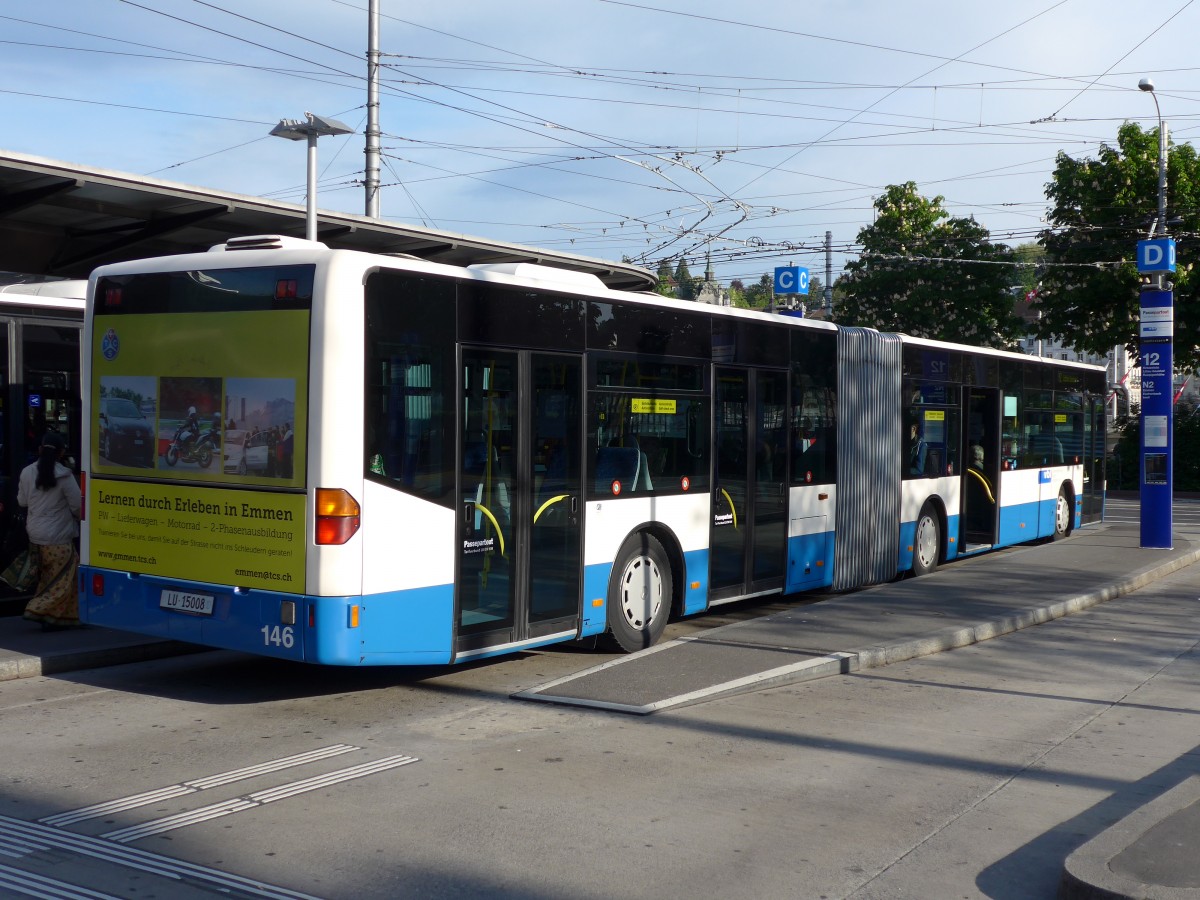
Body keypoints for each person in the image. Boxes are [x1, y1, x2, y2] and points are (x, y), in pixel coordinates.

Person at [19, 430, 82, 628]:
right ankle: (37, 608)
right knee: (66, 578)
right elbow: (78, 507)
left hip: (35, 534)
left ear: (40, 449)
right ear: (61, 453)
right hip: (58, 537)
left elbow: (21, 501)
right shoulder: (64, 475)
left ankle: (63, 617)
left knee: (49, 577)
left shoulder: (27, 472)